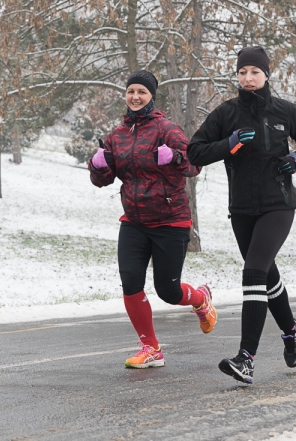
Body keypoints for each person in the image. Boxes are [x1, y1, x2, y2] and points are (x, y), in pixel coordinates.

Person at [187, 46, 296, 383]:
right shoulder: (227, 114)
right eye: (243, 72)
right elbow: (195, 152)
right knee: (266, 274)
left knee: (253, 272)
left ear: (266, 76)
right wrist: (228, 144)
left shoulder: (284, 111)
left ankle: (246, 358)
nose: (248, 79)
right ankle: (291, 330)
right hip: (242, 210)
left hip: (278, 206)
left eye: (254, 73)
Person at [88, 70, 216, 369]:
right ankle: (151, 348)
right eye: (131, 91)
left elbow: (193, 164)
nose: (135, 96)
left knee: (168, 291)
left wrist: (174, 157)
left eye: (141, 92)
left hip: (170, 219)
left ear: (151, 96)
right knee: (130, 281)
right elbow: (102, 180)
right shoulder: (117, 135)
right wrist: (97, 167)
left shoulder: (166, 129)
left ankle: (199, 298)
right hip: (133, 221)